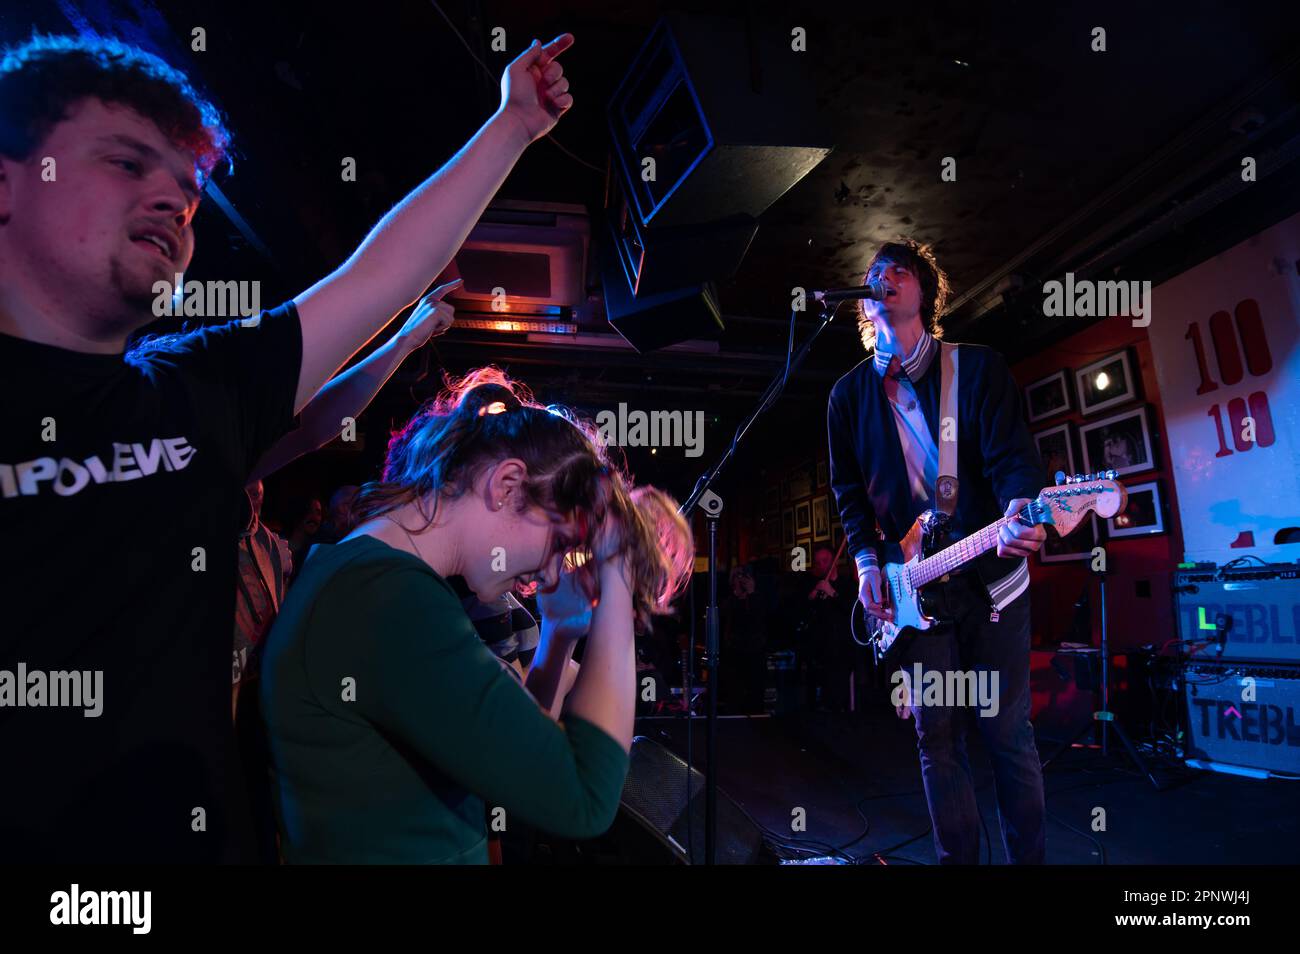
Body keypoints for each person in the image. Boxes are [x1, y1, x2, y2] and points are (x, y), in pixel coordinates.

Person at [0, 31, 576, 862]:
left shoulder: (188, 390)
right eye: (127, 163)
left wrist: (512, 126)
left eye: (190, 193)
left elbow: (372, 282)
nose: (173, 200)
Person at [258, 368, 694, 863]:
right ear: (506, 485)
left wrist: (558, 635)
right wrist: (616, 579)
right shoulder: (386, 599)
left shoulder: (378, 580)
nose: (549, 575)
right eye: (561, 543)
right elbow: (584, 801)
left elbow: (513, 757)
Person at [826, 239, 1048, 864]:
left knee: (1006, 735)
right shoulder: (847, 398)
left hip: (991, 583)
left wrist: (1018, 509)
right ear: (864, 306)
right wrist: (870, 564)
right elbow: (848, 492)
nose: (883, 278)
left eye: (899, 271)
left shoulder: (974, 368)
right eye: (873, 274)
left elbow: (1013, 463)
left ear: (925, 291)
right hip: (913, 585)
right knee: (938, 741)